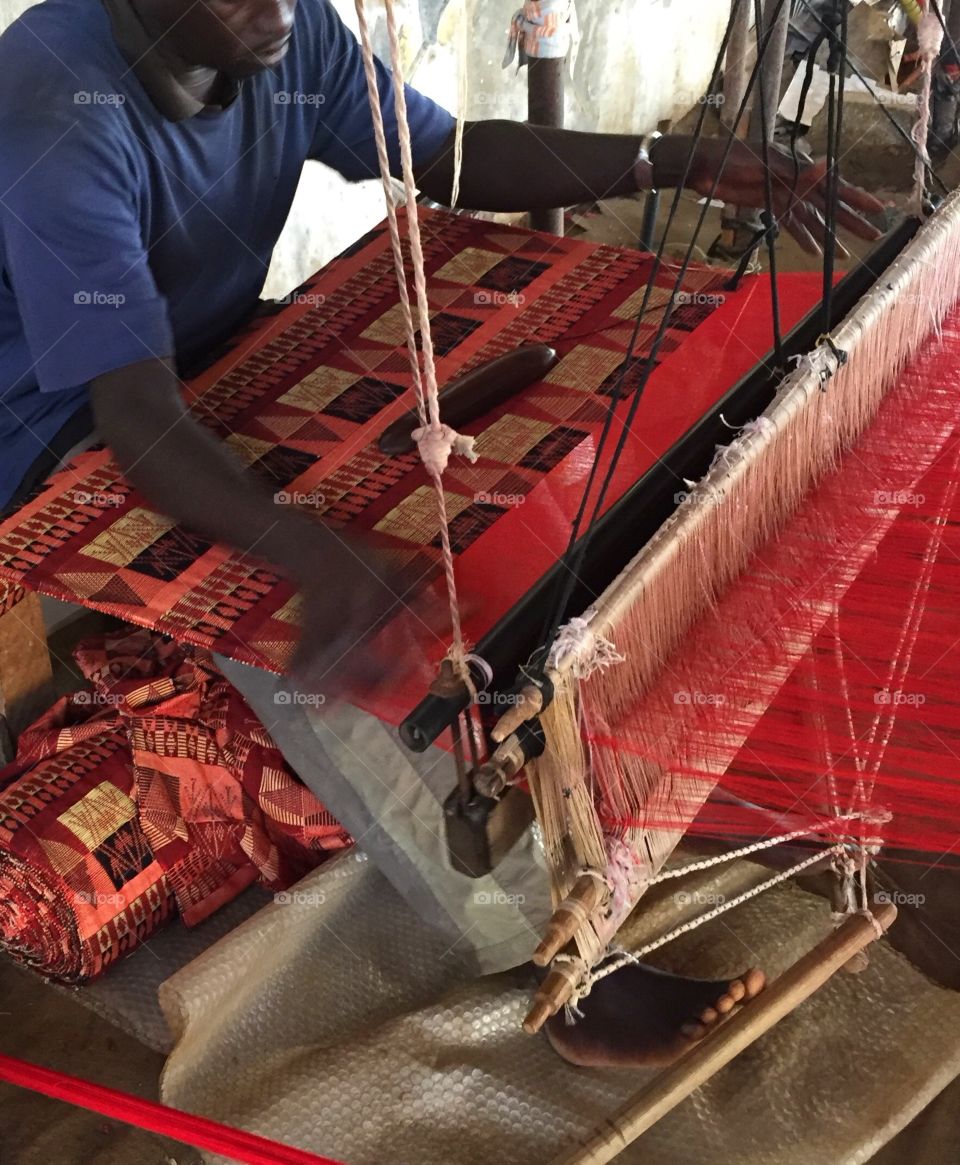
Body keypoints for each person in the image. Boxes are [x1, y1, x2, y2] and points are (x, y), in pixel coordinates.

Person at [0, 0, 884, 1067]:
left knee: (515, 465)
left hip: (212, 365)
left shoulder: (282, 30)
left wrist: (674, 160)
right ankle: (563, 973)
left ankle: (609, 765)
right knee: (312, 630)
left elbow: (446, 152)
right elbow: (135, 419)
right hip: (61, 435)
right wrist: (308, 549)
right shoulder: (56, 107)